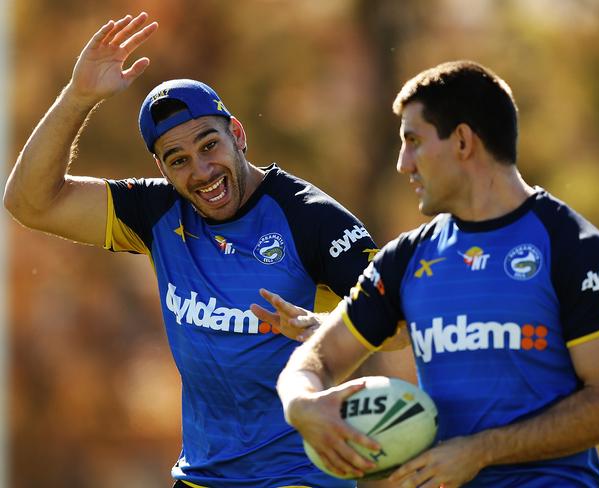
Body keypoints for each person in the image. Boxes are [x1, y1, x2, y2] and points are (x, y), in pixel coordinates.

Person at [3, 12, 415, 488]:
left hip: (303, 475)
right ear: (161, 167)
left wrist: (324, 327)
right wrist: (78, 98)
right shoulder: (156, 211)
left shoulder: (310, 217)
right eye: (178, 160)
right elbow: (28, 202)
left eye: (209, 145)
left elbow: (401, 325)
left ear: (237, 135)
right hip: (204, 476)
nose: (201, 171)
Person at [275, 60, 599, 487]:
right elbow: (318, 356)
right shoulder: (406, 258)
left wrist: (481, 451)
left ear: (463, 141)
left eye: (413, 141)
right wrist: (301, 403)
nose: (402, 163)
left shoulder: (575, 249)